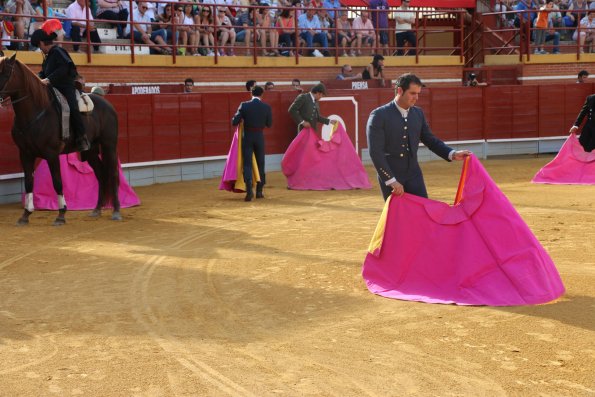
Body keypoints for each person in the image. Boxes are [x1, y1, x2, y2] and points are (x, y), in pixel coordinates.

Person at [366, 73, 471, 200]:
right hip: (392, 174)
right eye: (412, 93)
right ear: (400, 91)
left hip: (413, 174)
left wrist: (452, 153)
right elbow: (376, 152)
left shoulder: (417, 113)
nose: (416, 97)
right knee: (398, 217)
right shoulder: (379, 115)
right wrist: (390, 180)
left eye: (418, 93)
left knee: (422, 213)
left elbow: (430, 140)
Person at [30, 29, 90, 152]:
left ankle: (81, 136)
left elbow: (64, 67)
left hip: (66, 86)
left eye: (38, 46)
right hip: (53, 87)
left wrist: (48, 79)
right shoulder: (48, 57)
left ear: (42, 43)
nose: (39, 49)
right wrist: (36, 79)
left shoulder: (58, 51)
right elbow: (44, 72)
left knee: (73, 107)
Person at [231, 86, 273, 201]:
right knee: (261, 163)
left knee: (247, 164)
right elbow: (269, 124)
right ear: (262, 94)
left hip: (248, 136)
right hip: (259, 136)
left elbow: (234, 121)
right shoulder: (266, 107)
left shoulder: (244, 105)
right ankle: (259, 192)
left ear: (251, 93)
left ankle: (249, 191)